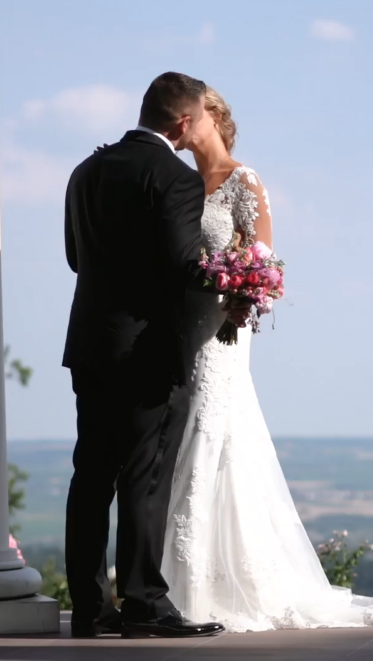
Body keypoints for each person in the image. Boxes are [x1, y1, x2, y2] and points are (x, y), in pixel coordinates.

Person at [156, 86, 373, 631]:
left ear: (211, 117)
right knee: (190, 442)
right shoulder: (181, 184)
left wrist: (237, 301)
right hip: (184, 329)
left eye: (189, 115)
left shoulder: (243, 180)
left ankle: (206, 589)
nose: (179, 126)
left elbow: (263, 263)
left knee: (213, 434)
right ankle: (184, 583)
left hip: (224, 330)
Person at [61, 72, 249, 639]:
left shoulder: (86, 171)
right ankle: (144, 603)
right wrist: (232, 278)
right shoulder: (175, 179)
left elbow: (75, 257)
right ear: (185, 122)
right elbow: (184, 268)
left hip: (92, 343)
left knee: (90, 475)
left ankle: (91, 610)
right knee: (143, 476)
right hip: (146, 353)